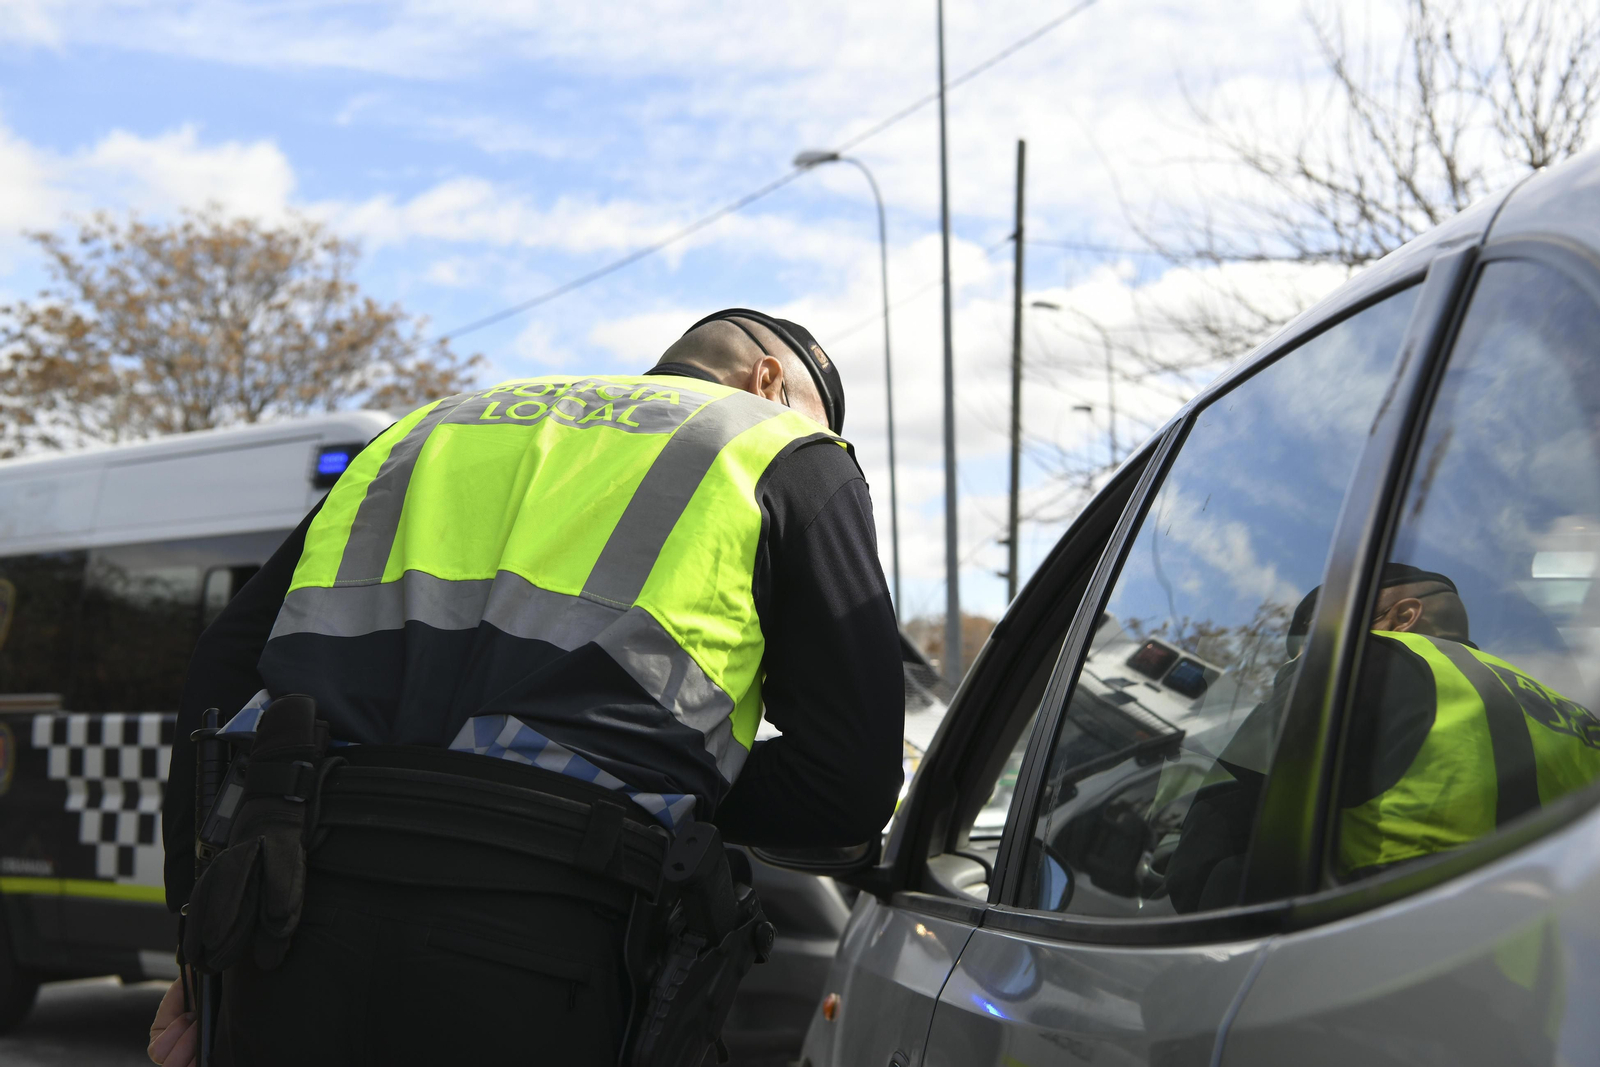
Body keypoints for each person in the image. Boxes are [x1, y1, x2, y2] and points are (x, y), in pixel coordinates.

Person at [148, 309, 905, 1066]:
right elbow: (847, 782)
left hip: (294, 911)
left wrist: (198, 934)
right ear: (768, 380)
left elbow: (221, 668)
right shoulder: (782, 448)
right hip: (553, 936)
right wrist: (668, 781)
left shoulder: (422, 432)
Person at [1166, 563, 1600, 910]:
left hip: (1395, 967)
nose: (1306, 654)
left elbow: (1208, 862)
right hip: (1550, 983)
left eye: (1317, 632)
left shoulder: (1357, 662)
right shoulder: (1571, 712)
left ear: (1403, 617)